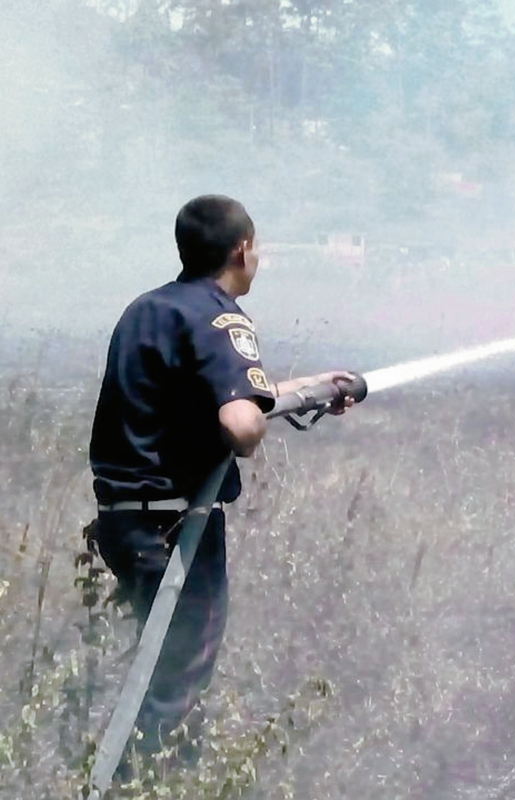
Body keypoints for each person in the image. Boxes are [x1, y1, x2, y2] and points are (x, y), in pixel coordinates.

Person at [87, 194, 354, 764]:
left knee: (151, 664)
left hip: (124, 523)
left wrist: (314, 389)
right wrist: (253, 426)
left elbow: (206, 399)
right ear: (241, 249)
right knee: (177, 681)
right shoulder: (220, 315)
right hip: (176, 529)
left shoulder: (149, 308)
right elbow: (238, 425)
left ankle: (118, 769)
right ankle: (152, 782)